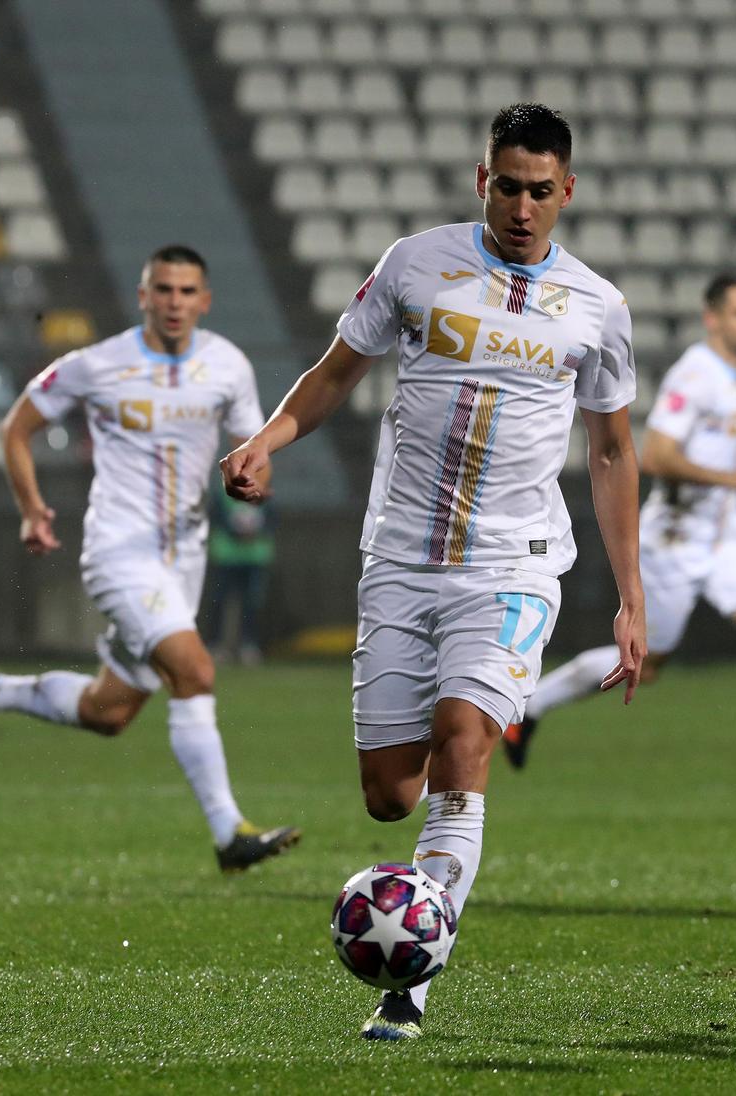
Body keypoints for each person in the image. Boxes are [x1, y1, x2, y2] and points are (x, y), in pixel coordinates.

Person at [221, 103, 645, 1041]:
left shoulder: (598, 307)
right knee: (388, 795)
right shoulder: (417, 263)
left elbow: (612, 451)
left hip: (516, 564)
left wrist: (630, 596)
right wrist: (267, 439)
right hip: (403, 557)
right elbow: (337, 371)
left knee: (464, 743)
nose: (524, 206)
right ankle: (419, 879)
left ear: (567, 191)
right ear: (481, 180)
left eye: (542, 191)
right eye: (508, 186)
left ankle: (408, 985)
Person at [0, 244, 301, 873]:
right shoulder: (99, 365)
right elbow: (15, 427)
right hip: (119, 552)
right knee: (196, 672)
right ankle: (228, 833)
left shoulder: (227, 365)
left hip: (184, 559)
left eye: (187, 292)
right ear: (143, 296)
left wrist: (251, 478)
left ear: (204, 301)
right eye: (164, 290)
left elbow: (252, 447)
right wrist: (31, 507)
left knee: (111, 711)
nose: (175, 302)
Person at [505, 274, 736, 819]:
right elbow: (660, 455)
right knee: (648, 658)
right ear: (712, 319)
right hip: (675, 538)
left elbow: (725, 445)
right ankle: (526, 708)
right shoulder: (697, 372)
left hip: (724, 533)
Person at [204, 484, 274, 665]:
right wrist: (236, 531)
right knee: (219, 602)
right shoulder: (222, 493)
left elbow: (271, 518)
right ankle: (216, 646)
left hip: (255, 556)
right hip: (226, 556)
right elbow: (216, 517)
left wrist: (256, 530)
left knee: (251, 603)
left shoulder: (264, 490)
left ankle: (248, 646)